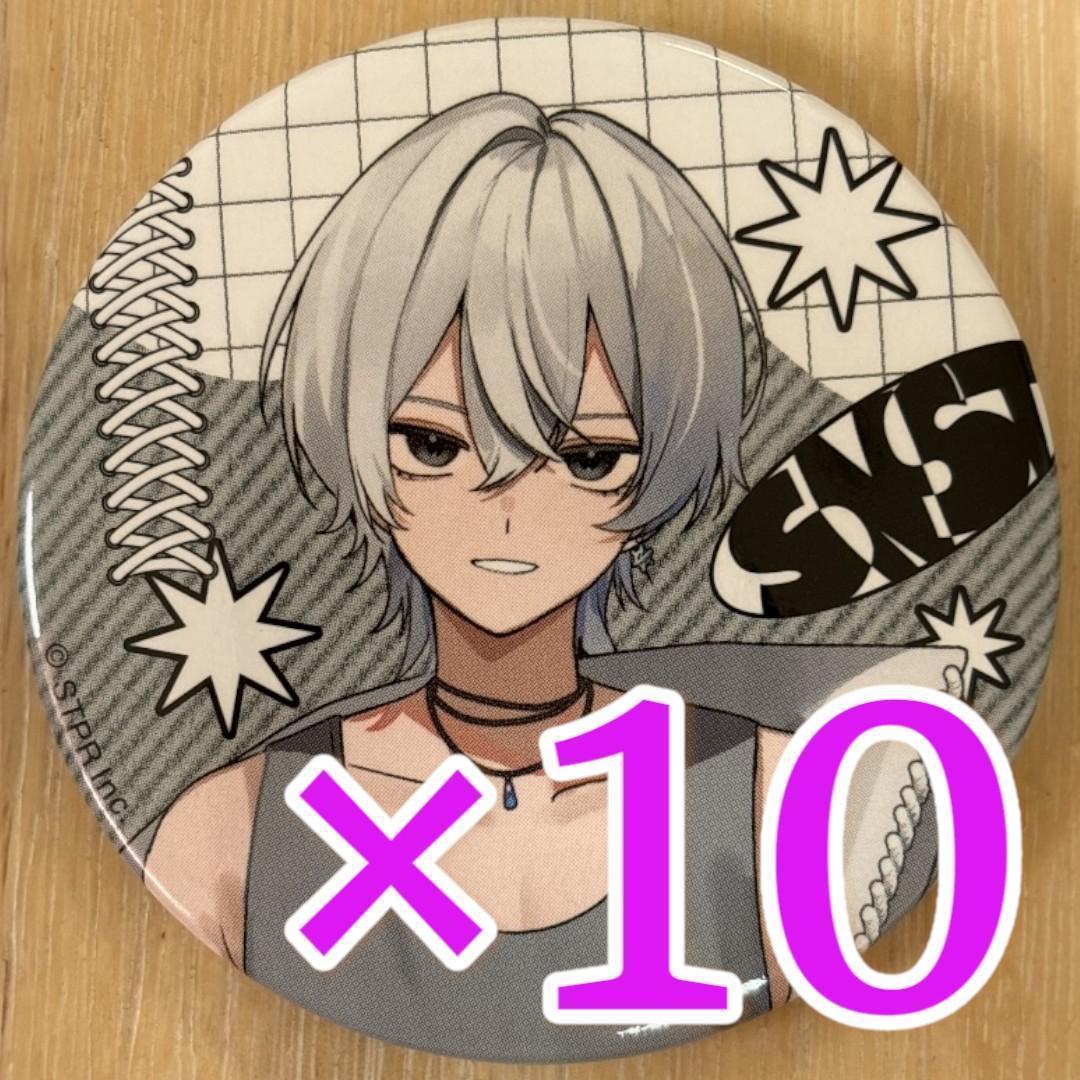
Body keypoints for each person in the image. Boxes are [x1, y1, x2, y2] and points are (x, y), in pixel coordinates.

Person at [142, 94, 949, 1060]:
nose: (508, 509)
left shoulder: (780, 801)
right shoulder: (231, 835)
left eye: (587, 457)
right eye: (434, 443)